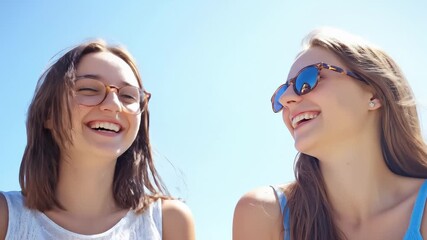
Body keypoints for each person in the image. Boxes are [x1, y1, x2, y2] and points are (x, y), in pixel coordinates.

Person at [233, 27, 427, 240]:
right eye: (282, 91)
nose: (286, 99)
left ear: (374, 93)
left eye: (307, 80)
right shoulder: (264, 215)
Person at [0, 40, 195, 240]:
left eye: (128, 96)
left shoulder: (169, 222)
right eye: (89, 90)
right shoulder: (5, 218)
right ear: (48, 114)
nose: (114, 105)